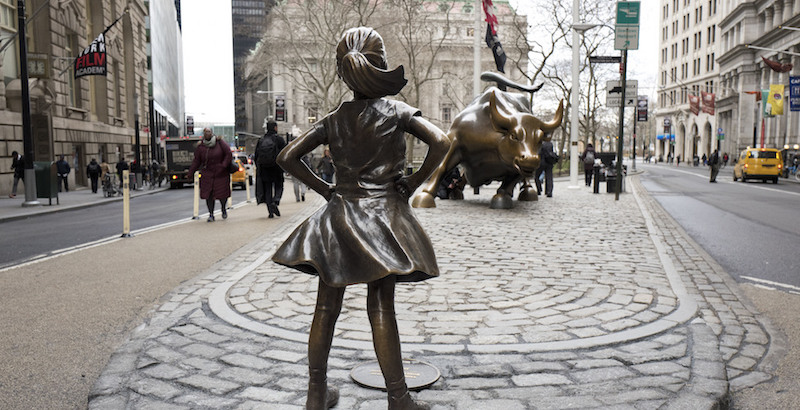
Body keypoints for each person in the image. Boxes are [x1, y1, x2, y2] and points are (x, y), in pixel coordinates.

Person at [272, 27, 448, 410]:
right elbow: (442, 141)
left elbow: (286, 157)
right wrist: (415, 183)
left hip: (337, 219)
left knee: (325, 307)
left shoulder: (334, 120)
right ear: (381, 66)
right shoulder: (397, 112)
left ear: (342, 72)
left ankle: (316, 395)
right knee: (381, 306)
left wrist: (324, 189)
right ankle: (398, 398)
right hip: (383, 218)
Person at [188, 128, 233, 222]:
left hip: (221, 173)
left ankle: (223, 208)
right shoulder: (201, 147)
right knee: (209, 195)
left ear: (212, 133)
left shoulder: (220, 143)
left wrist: (223, 165)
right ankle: (211, 214)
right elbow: (197, 161)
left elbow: (228, 154)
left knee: (222, 194)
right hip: (207, 174)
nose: (207, 134)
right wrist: (190, 172)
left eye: (208, 132)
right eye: (205, 132)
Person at [254, 121, 287, 217]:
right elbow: (285, 153)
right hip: (277, 168)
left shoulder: (261, 140)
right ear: (275, 128)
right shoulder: (279, 140)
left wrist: (259, 167)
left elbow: (256, 156)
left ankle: (270, 212)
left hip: (264, 169)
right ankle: (276, 200)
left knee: (267, 189)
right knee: (279, 185)